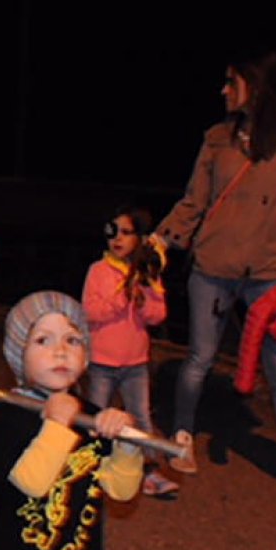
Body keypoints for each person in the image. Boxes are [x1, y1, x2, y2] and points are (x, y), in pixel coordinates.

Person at [152, 51, 276, 498]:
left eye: (230, 82)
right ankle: (181, 436)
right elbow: (195, 199)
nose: (223, 90)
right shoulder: (217, 137)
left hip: (268, 271)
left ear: (253, 87)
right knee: (200, 357)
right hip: (214, 264)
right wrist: (161, 241)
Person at [0, 291, 143, 550]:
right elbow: (33, 483)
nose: (61, 351)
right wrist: (57, 425)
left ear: (86, 356)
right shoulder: (5, 417)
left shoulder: (89, 415)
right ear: (17, 356)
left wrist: (127, 445)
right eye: (43, 340)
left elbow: (121, 491)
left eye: (72, 340)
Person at [81, 205, 180, 499]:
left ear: (139, 237)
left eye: (126, 232)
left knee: (141, 417)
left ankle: (150, 470)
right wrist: (120, 298)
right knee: (95, 416)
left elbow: (158, 315)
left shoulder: (147, 272)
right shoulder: (98, 271)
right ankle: (89, 466)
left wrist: (142, 300)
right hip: (102, 361)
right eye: (113, 232)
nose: (118, 239)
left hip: (136, 362)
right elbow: (91, 312)